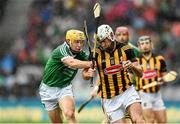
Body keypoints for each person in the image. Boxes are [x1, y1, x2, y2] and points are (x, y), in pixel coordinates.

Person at [90, 24, 145, 123]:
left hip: (127, 91)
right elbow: (86, 74)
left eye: (104, 41)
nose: (102, 44)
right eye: (100, 42)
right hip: (109, 98)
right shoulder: (96, 53)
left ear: (111, 36)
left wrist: (132, 66)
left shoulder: (126, 49)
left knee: (139, 120)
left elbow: (140, 73)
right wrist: (88, 74)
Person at [39, 29, 95, 123]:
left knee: (69, 114)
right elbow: (72, 63)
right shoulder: (61, 50)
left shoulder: (80, 54)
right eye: (76, 42)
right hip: (47, 89)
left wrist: (88, 74)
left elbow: (85, 75)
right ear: (69, 41)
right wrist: (90, 63)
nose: (79, 45)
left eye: (81, 42)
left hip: (64, 88)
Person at [136, 35, 167, 123]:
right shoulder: (136, 61)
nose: (145, 45)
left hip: (157, 94)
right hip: (144, 94)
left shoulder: (159, 59)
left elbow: (164, 76)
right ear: (139, 47)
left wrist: (163, 79)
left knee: (162, 121)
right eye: (142, 44)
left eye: (147, 43)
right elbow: (130, 77)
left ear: (151, 45)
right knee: (150, 121)